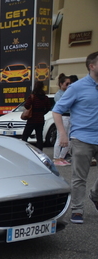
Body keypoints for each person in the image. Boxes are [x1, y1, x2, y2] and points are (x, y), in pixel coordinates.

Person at [52, 51, 98, 225]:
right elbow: (57, 110)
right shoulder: (77, 87)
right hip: (82, 138)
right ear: (91, 66)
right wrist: (63, 134)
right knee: (80, 177)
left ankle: (95, 195)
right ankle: (77, 209)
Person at [21, 81, 51, 150]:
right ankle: (40, 151)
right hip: (40, 119)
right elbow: (48, 107)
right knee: (39, 137)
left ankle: (23, 149)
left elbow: (27, 106)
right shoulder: (45, 98)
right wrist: (42, 112)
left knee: (25, 136)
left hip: (32, 119)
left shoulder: (32, 96)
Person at [52, 73, 72, 166]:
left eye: (69, 84)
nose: (68, 86)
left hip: (70, 116)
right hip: (63, 116)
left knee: (68, 138)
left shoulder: (68, 92)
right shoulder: (58, 94)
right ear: (61, 84)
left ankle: (62, 157)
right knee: (60, 137)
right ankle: (56, 158)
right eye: (66, 84)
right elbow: (63, 106)